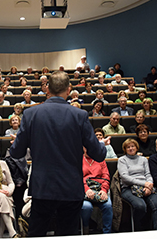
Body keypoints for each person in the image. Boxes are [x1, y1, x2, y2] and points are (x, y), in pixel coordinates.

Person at [9, 71, 108, 236]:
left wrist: (18, 142)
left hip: (42, 187)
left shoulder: (30, 114)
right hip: (71, 187)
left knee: (37, 233)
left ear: (47, 88)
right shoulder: (80, 115)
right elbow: (98, 154)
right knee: (66, 234)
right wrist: (101, 144)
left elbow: (16, 152)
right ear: (69, 89)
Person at [118, 138, 157, 230]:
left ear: (136, 147)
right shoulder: (122, 160)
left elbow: (148, 174)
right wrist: (144, 183)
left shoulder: (143, 159)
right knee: (140, 206)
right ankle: (139, 229)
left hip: (146, 186)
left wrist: (149, 185)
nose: (131, 148)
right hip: (128, 188)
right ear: (125, 149)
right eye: (128, 147)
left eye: (132, 146)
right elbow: (125, 177)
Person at [81, 147, 113, 234]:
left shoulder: (100, 160)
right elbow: (78, 177)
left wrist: (104, 190)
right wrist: (86, 189)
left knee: (108, 206)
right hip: (85, 189)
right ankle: (85, 227)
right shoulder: (79, 159)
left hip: (99, 189)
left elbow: (106, 176)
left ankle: (107, 233)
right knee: (86, 207)